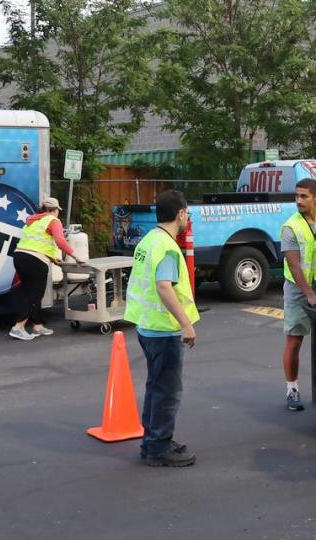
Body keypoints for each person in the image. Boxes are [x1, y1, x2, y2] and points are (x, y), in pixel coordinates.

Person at [124, 189, 200, 467]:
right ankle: (158, 448)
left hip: (147, 326)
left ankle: (154, 440)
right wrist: (186, 323)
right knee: (167, 390)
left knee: (156, 386)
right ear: (180, 214)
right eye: (187, 213)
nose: (187, 218)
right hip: (164, 330)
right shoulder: (167, 247)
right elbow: (164, 287)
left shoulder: (149, 240)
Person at [280, 178, 316, 411]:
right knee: (295, 340)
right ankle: (292, 389)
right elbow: (294, 266)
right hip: (298, 288)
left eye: (304, 196)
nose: (298, 201)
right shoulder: (290, 226)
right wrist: (309, 293)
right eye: (297, 196)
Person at [10, 197, 85, 340]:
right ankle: (18, 327)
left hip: (20, 257)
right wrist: (76, 257)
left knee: (31, 293)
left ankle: (37, 326)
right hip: (35, 261)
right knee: (35, 294)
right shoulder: (53, 220)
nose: (58, 213)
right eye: (58, 210)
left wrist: (53, 258)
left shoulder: (33, 222)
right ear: (54, 210)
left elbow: (36, 244)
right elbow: (60, 240)